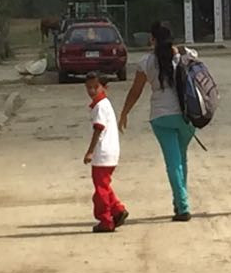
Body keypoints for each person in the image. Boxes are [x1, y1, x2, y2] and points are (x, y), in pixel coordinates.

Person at [119, 23, 195, 222]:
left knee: (173, 162)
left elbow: (136, 91)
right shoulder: (182, 56)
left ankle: (182, 206)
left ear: (152, 39)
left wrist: (125, 112)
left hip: (161, 116)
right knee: (181, 160)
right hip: (187, 115)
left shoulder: (146, 63)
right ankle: (180, 202)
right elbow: (196, 59)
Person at [83, 72, 128, 233]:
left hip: (103, 153)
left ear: (104, 88)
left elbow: (98, 130)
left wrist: (90, 152)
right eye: (89, 88)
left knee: (100, 190)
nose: (92, 91)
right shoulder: (103, 104)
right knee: (104, 185)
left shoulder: (100, 106)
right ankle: (117, 209)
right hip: (110, 152)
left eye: (95, 87)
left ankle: (106, 220)